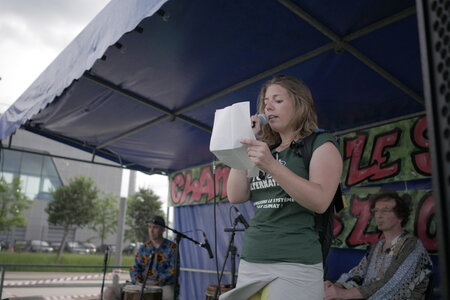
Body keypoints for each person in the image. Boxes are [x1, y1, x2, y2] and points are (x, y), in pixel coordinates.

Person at [219, 74, 343, 300]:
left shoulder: (321, 143)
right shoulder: (267, 149)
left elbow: (320, 201)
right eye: (266, 101)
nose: (268, 106)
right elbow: (235, 195)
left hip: (295, 262)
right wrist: (243, 142)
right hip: (253, 257)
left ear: (300, 104)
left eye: (277, 100)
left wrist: (271, 165)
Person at [324, 191, 433, 300]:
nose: (378, 215)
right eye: (376, 211)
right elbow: (358, 273)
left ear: (400, 216)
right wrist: (337, 286)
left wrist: (343, 294)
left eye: (385, 210)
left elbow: (393, 285)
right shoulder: (378, 246)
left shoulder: (412, 246)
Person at [105, 216, 177, 300]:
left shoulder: (172, 247)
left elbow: (172, 271)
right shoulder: (144, 247)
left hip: (163, 285)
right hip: (142, 283)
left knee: (169, 296)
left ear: (163, 230)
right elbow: (135, 268)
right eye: (149, 227)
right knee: (109, 292)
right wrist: (137, 282)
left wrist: (155, 282)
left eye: (155, 227)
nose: (151, 230)